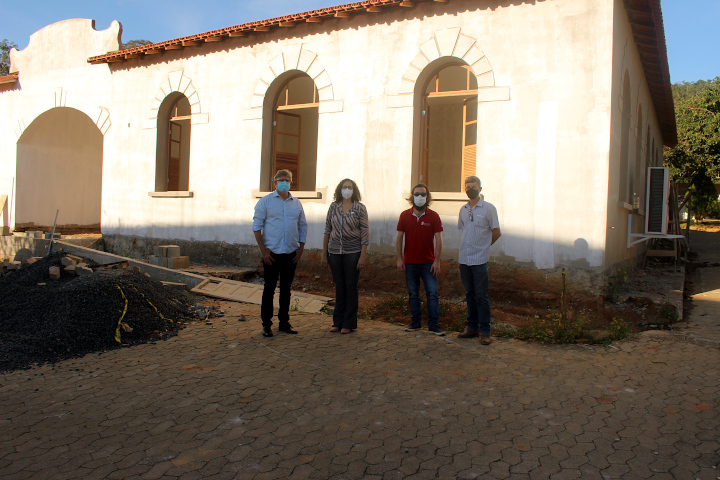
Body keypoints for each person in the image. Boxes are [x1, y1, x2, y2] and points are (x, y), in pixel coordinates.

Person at [252, 170, 308, 337]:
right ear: (275, 183)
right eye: (281, 180)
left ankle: (284, 322)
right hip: (271, 254)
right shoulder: (265, 202)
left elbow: (302, 226)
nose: (284, 183)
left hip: (291, 253)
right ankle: (266, 324)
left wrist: (301, 248)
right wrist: (263, 251)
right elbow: (256, 227)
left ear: (291, 183)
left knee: (286, 290)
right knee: (269, 289)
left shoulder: (296, 203)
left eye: (287, 180)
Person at [457, 175, 501, 344]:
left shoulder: (489, 208)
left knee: (481, 296)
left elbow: (496, 232)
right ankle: (471, 328)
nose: (470, 189)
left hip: (480, 260)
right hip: (464, 259)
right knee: (469, 294)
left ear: (480, 189)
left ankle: (485, 332)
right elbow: (464, 230)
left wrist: (484, 247)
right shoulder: (463, 209)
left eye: (473, 187)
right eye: (467, 187)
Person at [395, 183, 445, 336]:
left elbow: (439, 239)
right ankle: (415, 322)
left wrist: (437, 261)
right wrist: (399, 259)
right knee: (413, 294)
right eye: (416, 194)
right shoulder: (404, 215)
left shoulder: (434, 216)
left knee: (432, 294)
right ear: (412, 197)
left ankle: (434, 325)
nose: (419, 197)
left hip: (429, 263)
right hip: (410, 263)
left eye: (423, 194)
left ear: (427, 197)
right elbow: (399, 238)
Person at [321, 179, 370, 334]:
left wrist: (362, 256)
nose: (347, 190)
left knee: (350, 286)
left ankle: (348, 323)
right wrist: (324, 254)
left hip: (353, 252)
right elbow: (327, 230)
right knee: (339, 286)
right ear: (339, 190)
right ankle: (337, 322)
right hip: (335, 252)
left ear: (354, 190)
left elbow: (365, 233)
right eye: (344, 187)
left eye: (349, 187)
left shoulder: (360, 208)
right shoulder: (333, 207)